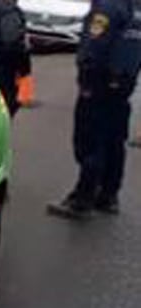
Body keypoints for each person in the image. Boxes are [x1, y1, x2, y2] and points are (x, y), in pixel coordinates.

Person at [48, 0, 141, 217]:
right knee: (114, 141)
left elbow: (94, 46)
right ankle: (108, 195)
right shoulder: (135, 9)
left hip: (100, 83)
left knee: (90, 140)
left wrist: (86, 81)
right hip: (124, 83)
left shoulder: (109, 7)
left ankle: (82, 199)